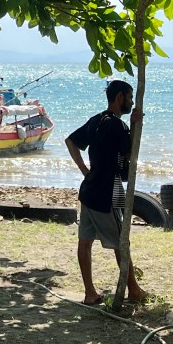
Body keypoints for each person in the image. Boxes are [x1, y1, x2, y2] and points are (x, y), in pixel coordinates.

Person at [66, 79, 148, 306]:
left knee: (85, 241)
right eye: (129, 98)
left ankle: (90, 293)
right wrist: (134, 125)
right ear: (120, 97)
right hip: (106, 193)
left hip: (89, 190)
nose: (131, 102)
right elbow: (130, 152)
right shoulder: (117, 126)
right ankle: (133, 290)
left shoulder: (96, 120)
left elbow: (71, 141)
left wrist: (85, 171)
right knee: (121, 242)